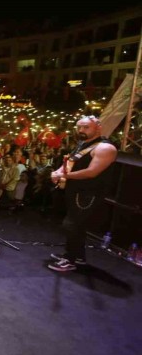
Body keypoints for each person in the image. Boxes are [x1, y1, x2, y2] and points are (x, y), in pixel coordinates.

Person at [48, 116, 117, 272]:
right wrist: (57, 172)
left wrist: (64, 176)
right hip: (75, 190)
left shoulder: (105, 148)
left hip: (88, 193)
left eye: (86, 127)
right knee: (77, 226)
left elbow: (92, 172)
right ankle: (78, 256)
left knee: (72, 225)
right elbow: (70, 162)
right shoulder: (84, 144)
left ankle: (70, 259)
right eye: (79, 127)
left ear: (98, 127)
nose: (81, 130)